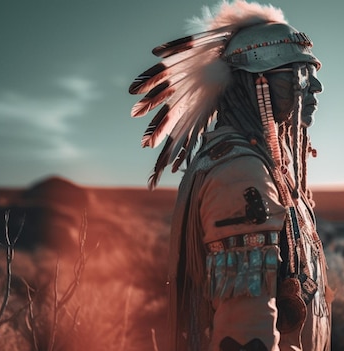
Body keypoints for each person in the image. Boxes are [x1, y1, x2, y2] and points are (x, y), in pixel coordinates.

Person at [128, 1, 332, 350]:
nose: (315, 87)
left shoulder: (260, 164)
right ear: (259, 83)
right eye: (299, 73)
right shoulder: (240, 174)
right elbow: (246, 328)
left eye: (312, 72)